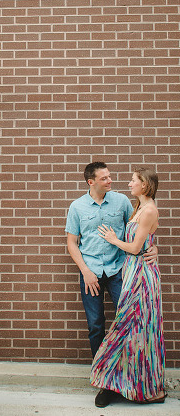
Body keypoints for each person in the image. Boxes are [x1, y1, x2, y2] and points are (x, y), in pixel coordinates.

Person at [65, 161, 158, 408]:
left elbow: (138, 230)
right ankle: (105, 383)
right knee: (96, 325)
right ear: (91, 182)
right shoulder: (77, 207)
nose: (110, 181)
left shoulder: (121, 202)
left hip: (120, 271)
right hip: (91, 273)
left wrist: (154, 248)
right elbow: (72, 243)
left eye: (110, 176)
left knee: (128, 323)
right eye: (104, 178)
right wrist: (85, 271)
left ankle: (126, 379)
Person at [90, 168, 165, 404]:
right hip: (134, 270)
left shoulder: (149, 210)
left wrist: (113, 239)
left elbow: (134, 248)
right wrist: (152, 248)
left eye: (133, 181)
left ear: (144, 185)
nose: (129, 183)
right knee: (134, 329)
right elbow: (146, 241)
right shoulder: (140, 207)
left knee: (136, 328)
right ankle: (129, 384)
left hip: (142, 275)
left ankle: (149, 389)